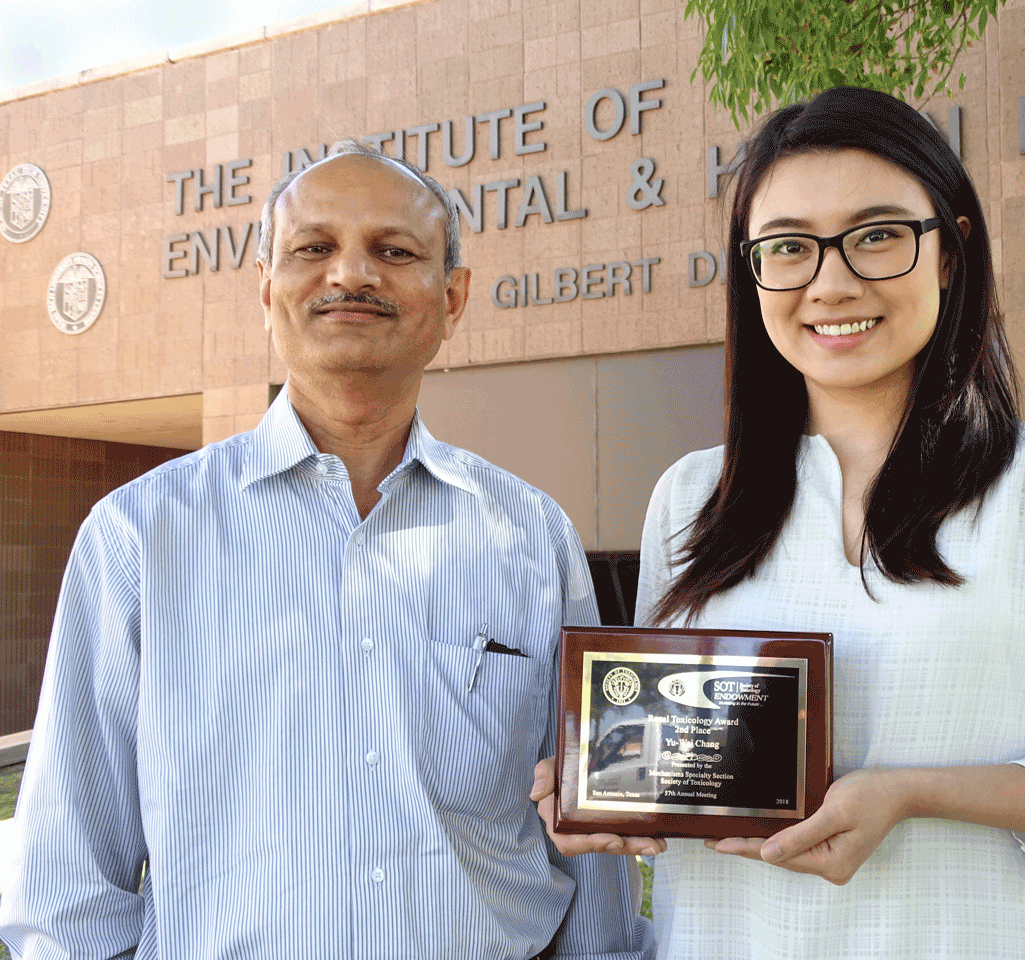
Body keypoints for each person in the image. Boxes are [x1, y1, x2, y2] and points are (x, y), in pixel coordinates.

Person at [533, 87, 1025, 958]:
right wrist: (604, 787)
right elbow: (680, 755)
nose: (831, 282)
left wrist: (913, 792)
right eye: (789, 247)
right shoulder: (693, 498)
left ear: (950, 252)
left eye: (877, 235)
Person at [0, 141, 654, 960]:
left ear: (452, 298)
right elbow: (66, 889)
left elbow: (589, 847)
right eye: (313, 248)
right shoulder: (138, 538)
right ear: (267, 290)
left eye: (394, 250)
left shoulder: (532, 539)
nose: (351, 274)